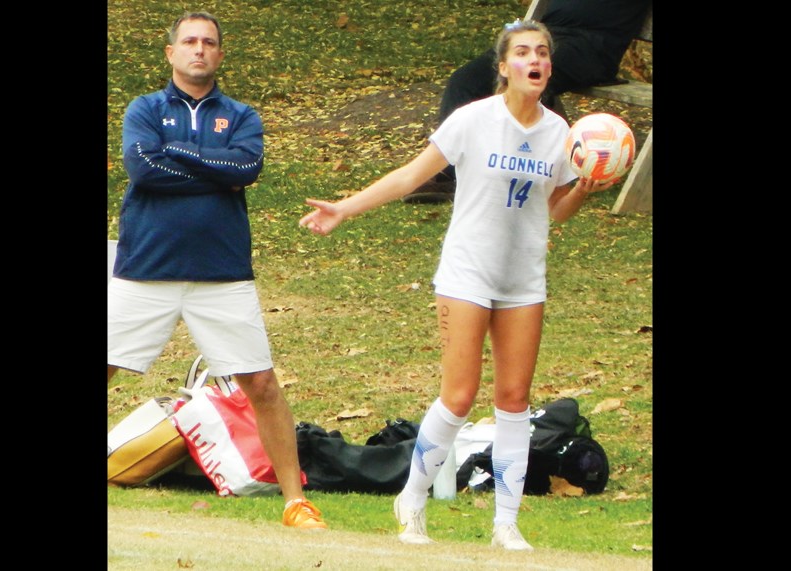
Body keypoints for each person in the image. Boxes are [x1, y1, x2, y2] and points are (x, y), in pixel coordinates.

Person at [299, 19, 616, 550]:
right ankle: (414, 496)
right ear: (504, 67)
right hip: (467, 271)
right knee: (460, 395)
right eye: (522, 52)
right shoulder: (473, 120)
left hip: (523, 280)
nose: (534, 60)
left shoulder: (562, 133)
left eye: (542, 53)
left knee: (514, 399)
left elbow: (556, 211)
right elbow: (410, 175)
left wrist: (585, 183)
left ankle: (506, 525)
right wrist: (344, 208)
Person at [107, 11, 326, 530]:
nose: (199, 49)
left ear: (220, 54)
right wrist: (211, 165)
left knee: (262, 384)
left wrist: (177, 155)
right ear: (171, 52)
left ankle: (295, 502)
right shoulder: (144, 108)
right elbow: (141, 167)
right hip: (145, 269)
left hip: (221, 273)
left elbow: (246, 168)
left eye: (208, 42)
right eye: (189, 42)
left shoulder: (242, 115)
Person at [404, 0, 651, 203]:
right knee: (464, 80)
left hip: (592, 46)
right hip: (546, 37)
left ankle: (513, 172)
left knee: (530, 84)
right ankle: (450, 173)